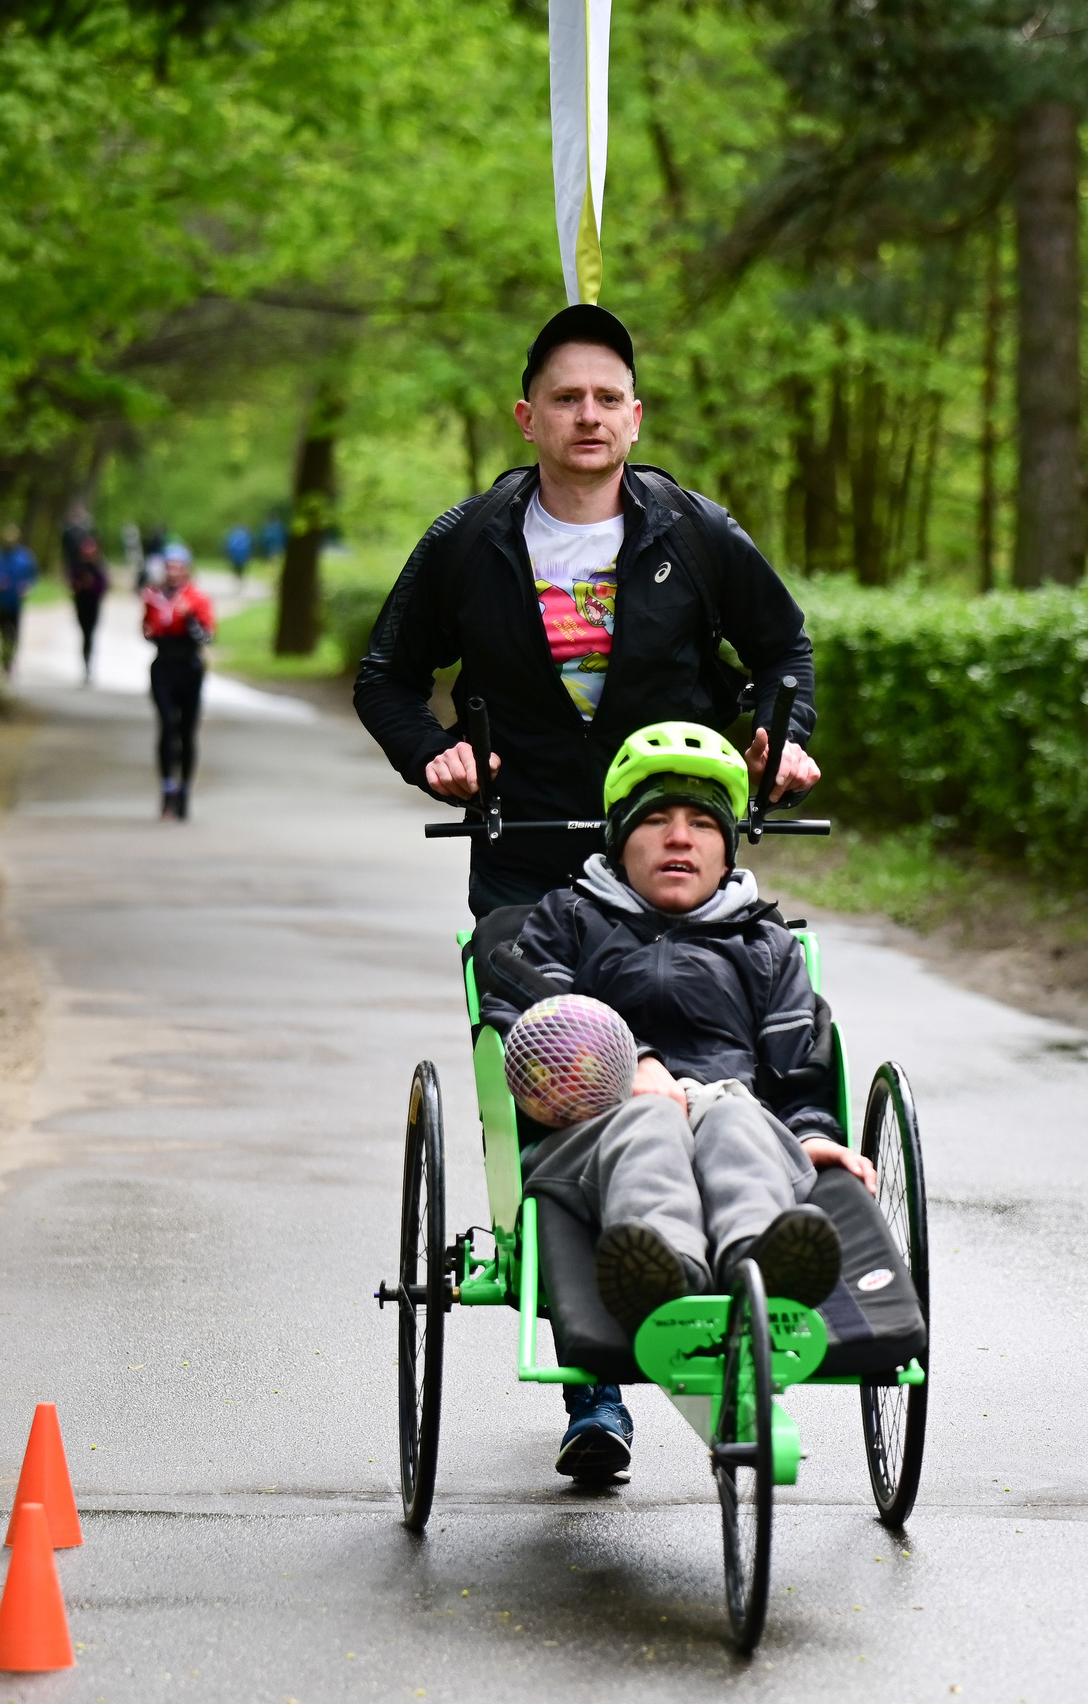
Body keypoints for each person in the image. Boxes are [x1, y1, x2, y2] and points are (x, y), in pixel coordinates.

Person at [354, 302, 826, 1479]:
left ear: (635, 414)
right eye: (565, 398)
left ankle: (752, 1259)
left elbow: (783, 652)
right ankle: (597, 1382)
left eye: (607, 397)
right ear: (528, 416)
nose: (588, 416)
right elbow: (387, 674)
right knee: (571, 1083)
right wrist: (434, 754)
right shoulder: (470, 541)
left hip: (666, 829)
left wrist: (780, 737)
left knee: (713, 1044)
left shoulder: (693, 531)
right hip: (529, 855)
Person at [477, 723, 876, 1481]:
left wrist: (813, 1134)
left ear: (728, 850)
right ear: (621, 841)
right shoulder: (567, 919)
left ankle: (763, 1274)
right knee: (654, 1118)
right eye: (657, 821)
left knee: (731, 1111)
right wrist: (629, 1064)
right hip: (592, 1131)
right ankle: (665, 1276)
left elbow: (799, 1064)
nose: (679, 840)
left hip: (733, 1117)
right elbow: (520, 1009)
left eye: (701, 826)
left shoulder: (764, 944)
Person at [141, 543, 216, 820]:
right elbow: (147, 629)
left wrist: (189, 618)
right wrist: (151, 631)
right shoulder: (153, 596)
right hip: (163, 665)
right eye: (168, 567)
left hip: (189, 666)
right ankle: (167, 789)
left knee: (187, 731)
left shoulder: (197, 598)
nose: (173, 572)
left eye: (178, 567)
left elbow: (208, 636)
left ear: (186, 569)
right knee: (166, 725)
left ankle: (185, 791)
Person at [0, 524, 38, 678]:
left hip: (16, 602)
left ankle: (10, 659)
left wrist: (27, 587)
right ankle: (4, 660)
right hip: (0, 601)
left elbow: (33, 577)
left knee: (14, 632)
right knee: (1, 632)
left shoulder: (24, 557)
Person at [62, 506, 110, 685]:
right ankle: (86, 664)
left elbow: (103, 586)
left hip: (93, 603)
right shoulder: (77, 566)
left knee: (90, 634)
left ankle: (89, 665)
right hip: (81, 603)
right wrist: (79, 585)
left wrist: (92, 585)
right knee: (84, 633)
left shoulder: (99, 567)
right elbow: (72, 584)